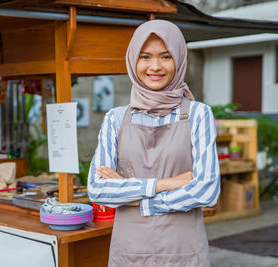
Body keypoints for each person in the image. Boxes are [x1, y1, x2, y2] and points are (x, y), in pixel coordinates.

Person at [87, 20, 220, 267]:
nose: (155, 66)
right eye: (145, 56)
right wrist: (166, 183)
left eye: (166, 56)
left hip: (183, 250)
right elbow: (98, 189)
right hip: (129, 252)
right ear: (133, 60)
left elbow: (207, 190)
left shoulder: (198, 114)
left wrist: (138, 200)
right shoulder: (115, 118)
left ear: (179, 60)